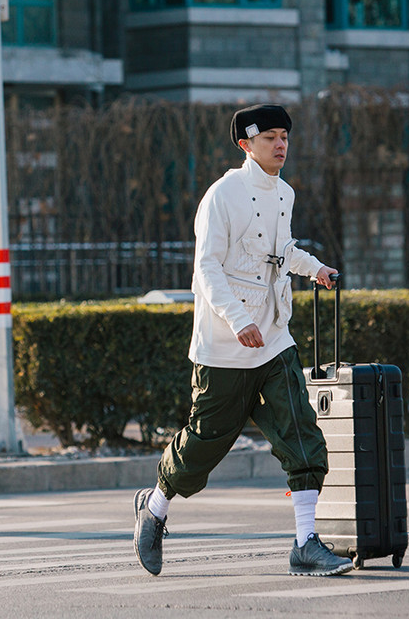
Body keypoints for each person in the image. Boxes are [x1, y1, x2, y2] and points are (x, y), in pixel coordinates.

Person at [132, 103, 352, 578]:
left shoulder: (284, 193)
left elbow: (280, 251)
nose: (281, 145)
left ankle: (305, 543)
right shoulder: (221, 195)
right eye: (271, 137)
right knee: (203, 447)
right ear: (245, 144)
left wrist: (315, 270)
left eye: (285, 137)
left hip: (273, 338)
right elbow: (206, 268)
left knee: (302, 433)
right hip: (223, 346)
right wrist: (236, 320)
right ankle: (155, 508)